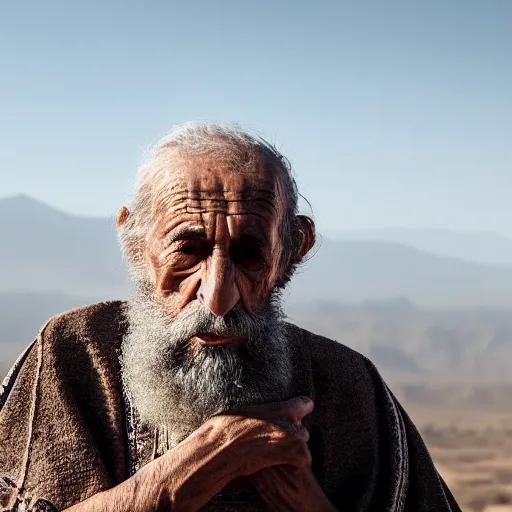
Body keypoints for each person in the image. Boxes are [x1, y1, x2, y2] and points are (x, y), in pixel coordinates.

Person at [0, 122, 461, 512]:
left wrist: (303, 498)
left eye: (248, 254)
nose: (217, 297)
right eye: (189, 250)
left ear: (292, 251)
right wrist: (199, 463)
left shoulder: (347, 385)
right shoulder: (73, 353)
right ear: (137, 245)